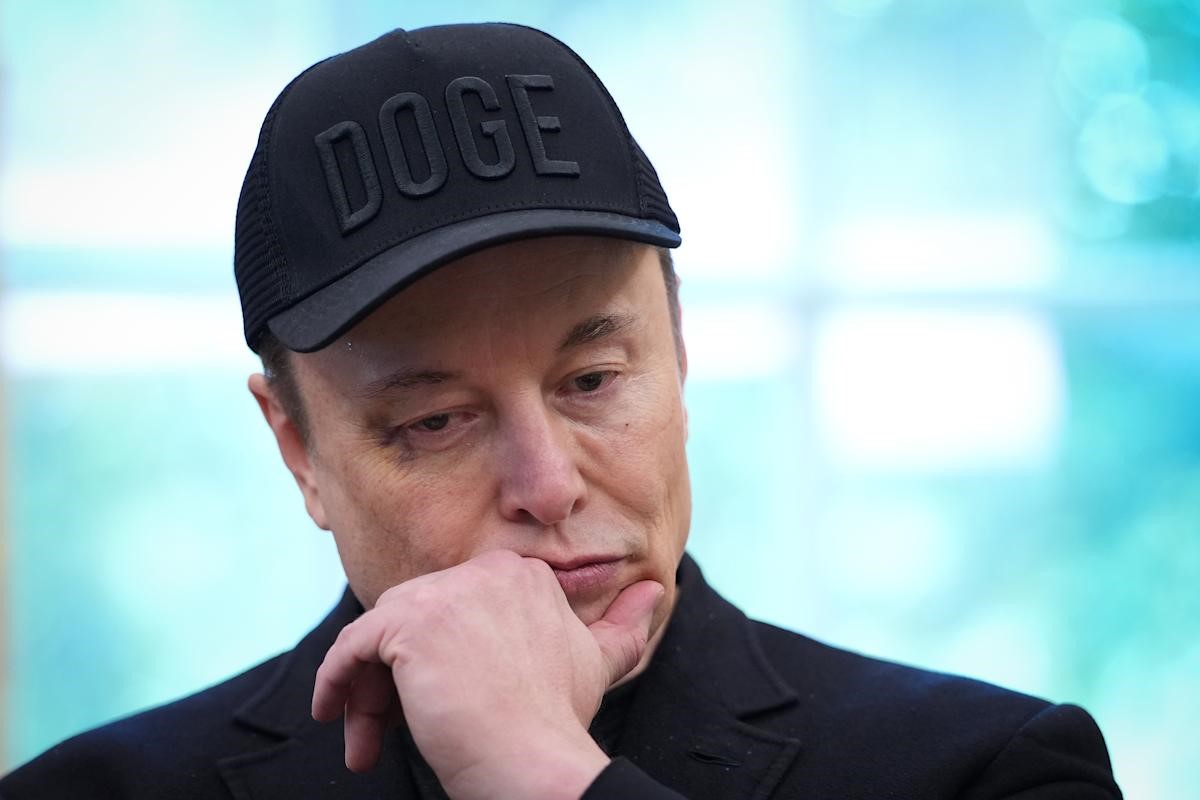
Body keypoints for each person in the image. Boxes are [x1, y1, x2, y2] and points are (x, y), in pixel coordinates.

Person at [0, 22, 1122, 800]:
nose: (548, 485)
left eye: (592, 381)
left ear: (679, 353)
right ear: (298, 450)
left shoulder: (988, 772)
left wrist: (546, 777)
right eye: (434, 420)